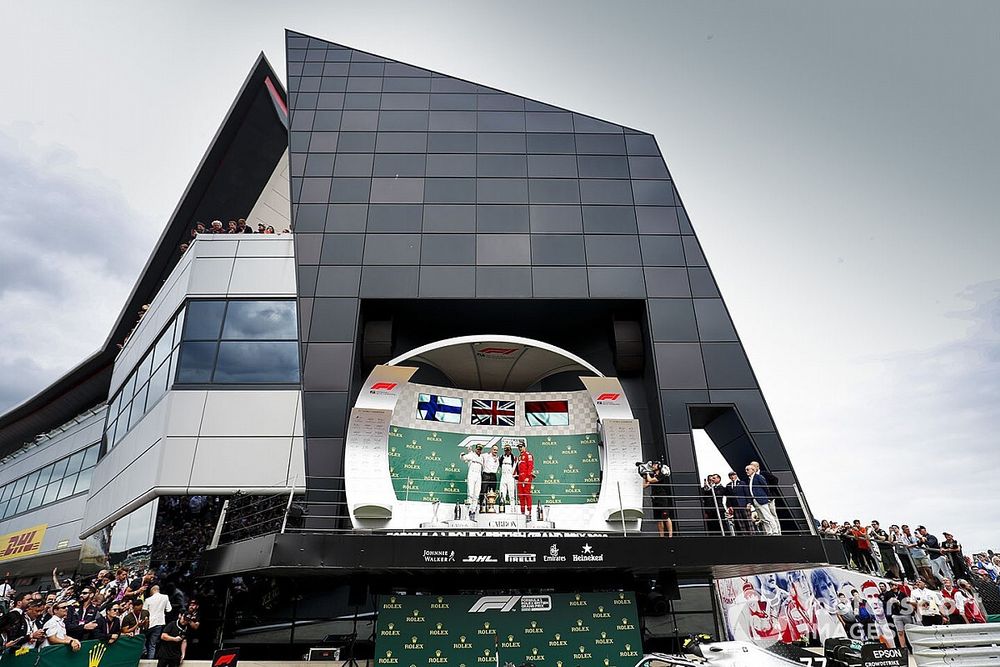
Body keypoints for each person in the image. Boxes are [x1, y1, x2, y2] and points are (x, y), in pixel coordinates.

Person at [746, 464, 780, 535]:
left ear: (753, 470)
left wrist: (768, 497)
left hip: (761, 499)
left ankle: (775, 530)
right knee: (762, 517)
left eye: (748, 470)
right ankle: (769, 531)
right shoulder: (750, 479)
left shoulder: (758, 477)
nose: (746, 471)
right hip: (755, 500)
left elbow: (765, 487)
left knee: (768, 515)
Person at [642, 462, 672, 538]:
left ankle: (670, 535)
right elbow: (644, 485)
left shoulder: (661, 475)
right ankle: (661, 536)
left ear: (659, 466)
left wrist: (647, 473)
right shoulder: (652, 474)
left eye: (655, 465)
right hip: (655, 498)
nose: (653, 466)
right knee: (659, 519)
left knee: (665, 516)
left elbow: (652, 480)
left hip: (662, 498)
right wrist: (644, 476)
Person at [144, 585, 172, 658]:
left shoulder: (148, 600)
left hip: (149, 623)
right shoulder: (165, 597)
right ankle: (150, 662)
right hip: (159, 622)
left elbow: (144, 612)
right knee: (152, 644)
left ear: (152, 591)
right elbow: (169, 609)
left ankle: (144, 651)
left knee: (142, 639)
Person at [514, 442, 535, 517]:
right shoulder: (519, 456)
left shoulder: (528, 455)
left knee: (527, 494)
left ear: (524, 447)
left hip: (526, 477)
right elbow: (517, 467)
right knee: (521, 495)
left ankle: (529, 512)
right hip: (520, 477)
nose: (520, 448)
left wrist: (528, 476)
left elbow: (530, 466)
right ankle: (522, 512)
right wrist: (516, 475)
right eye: (519, 447)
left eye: (521, 447)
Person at [461, 445, 484, 509]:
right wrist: (463, 454)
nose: (479, 451)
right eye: (478, 449)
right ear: (475, 449)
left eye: (480, 449)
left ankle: (474, 509)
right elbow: (463, 458)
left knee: (477, 493)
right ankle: (469, 508)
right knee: (470, 492)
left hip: (478, 475)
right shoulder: (471, 455)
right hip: (472, 474)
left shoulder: (482, 457)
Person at [498, 443, 517, 509]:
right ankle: (502, 508)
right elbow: (500, 465)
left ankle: (513, 508)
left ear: (511, 450)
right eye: (506, 450)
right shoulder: (501, 457)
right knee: (502, 493)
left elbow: (516, 468)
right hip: (503, 476)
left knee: (511, 494)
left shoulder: (514, 458)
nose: (507, 451)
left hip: (510, 477)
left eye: (508, 450)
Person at [480, 445, 499, 509]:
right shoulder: (486, 455)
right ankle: (482, 507)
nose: (495, 451)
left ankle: (491, 507)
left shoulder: (498, 458)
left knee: (492, 492)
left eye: (496, 450)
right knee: (483, 491)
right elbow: (478, 454)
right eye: (494, 449)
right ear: (491, 449)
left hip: (493, 475)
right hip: (486, 475)